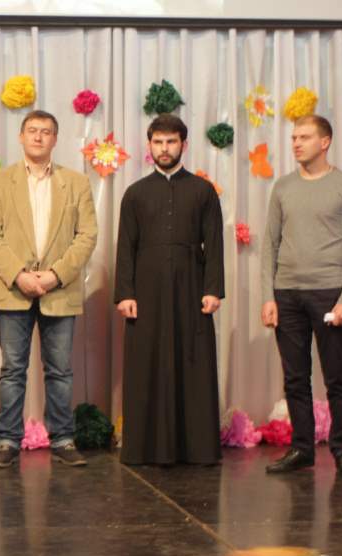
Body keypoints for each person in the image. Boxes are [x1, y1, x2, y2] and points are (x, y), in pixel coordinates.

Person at [0, 109, 98, 468]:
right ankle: (7, 441)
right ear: (21, 136)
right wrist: (20, 275)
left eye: (46, 131)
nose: (38, 136)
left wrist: (54, 275)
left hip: (59, 289)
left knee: (60, 370)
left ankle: (62, 438)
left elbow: (87, 236)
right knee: (12, 370)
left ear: (55, 139)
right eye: (32, 130)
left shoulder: (76, 182)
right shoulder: (1, 181)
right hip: (12, 289)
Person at [114, 114, 224, 466]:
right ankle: (144, 449)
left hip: (191, 291)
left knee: (193, 362)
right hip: (145, 295)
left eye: (171, 142)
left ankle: (197, 449)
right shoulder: (135, 194)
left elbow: (214, 244)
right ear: (149, 146)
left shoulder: (203, 191)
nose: (164, 148)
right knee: (146, 365)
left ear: (183, 145)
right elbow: (125, 247)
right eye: (158, 142)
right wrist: (125, 293)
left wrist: (213, 289)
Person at [261, 115, 342, 479]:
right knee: (295, 377)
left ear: (325, 142)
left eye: (304, 137)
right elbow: (270, 244)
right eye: (294, 137)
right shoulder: (283, 187)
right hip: (287, 294)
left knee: (336, 378)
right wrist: (268, 296)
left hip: (328, 294)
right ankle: (302, 449)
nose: (296, 143)